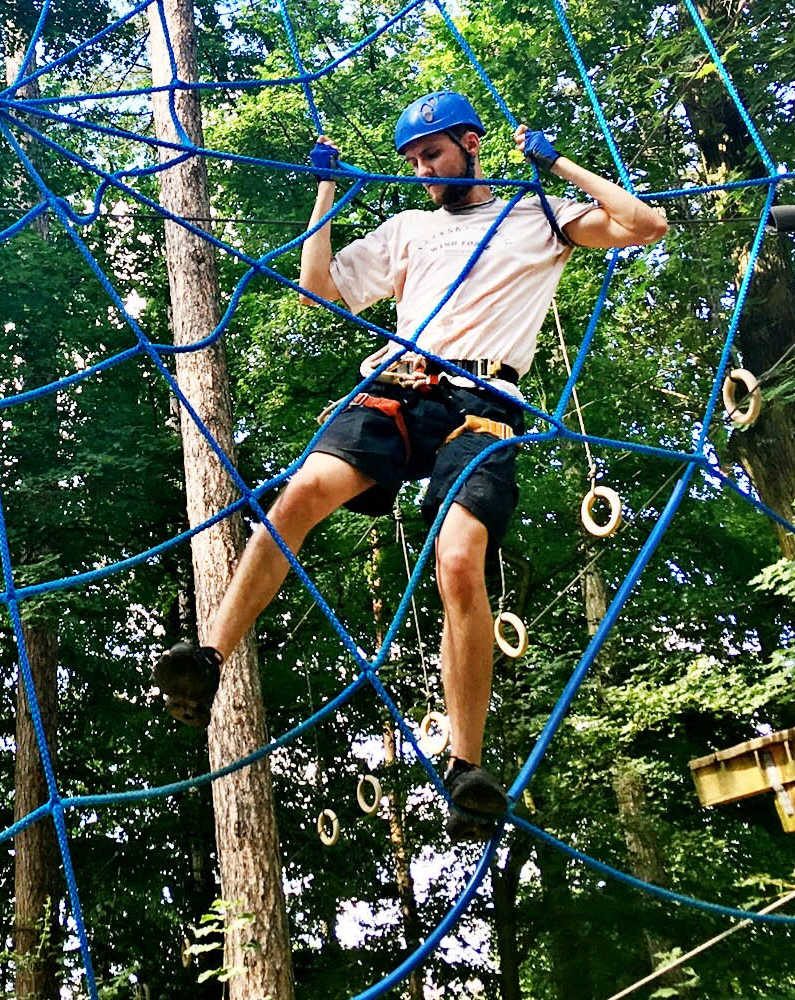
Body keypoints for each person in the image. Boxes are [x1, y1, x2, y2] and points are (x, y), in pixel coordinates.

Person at [153, 90, 668, 839]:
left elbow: (645, 224)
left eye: (434, 154)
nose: (424, 170)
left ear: (471, 144)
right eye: (415, 161)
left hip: (482, 398)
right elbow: (316, 291)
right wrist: (327, 192)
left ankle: (466, 769)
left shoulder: (542, 216)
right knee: (296, 498)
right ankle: (209, 659)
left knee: (460, 560)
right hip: (398, 386)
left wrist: (554, 162)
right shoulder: (409, 228)